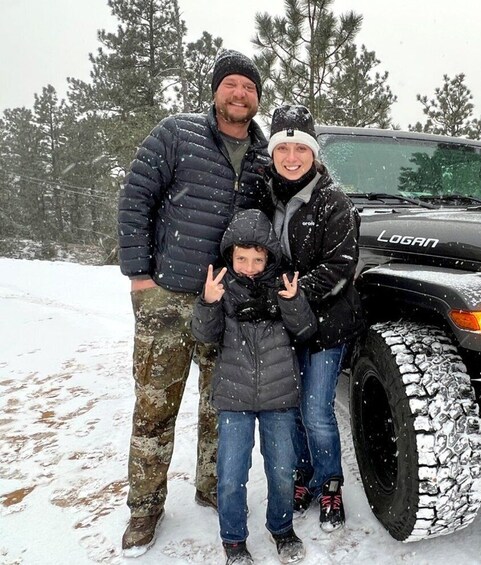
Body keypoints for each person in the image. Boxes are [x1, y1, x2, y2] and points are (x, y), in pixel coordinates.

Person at [117, 49, 274, 555]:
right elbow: (136, 197)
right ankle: (144, 510)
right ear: (215, 91)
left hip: (225, 300)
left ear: (256, 97)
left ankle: (212, 485)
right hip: (167, 291)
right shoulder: (177, 134)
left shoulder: (261, 153)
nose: (239, 94)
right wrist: (139, 275)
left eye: (248, 88)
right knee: (155, 406)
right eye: (231, 84)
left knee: (218, 403)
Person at [192, 209, 316, 565]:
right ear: (230, 256)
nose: (248, 266)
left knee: (281, 471)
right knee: (231, 475)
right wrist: (208, 303)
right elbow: (204, 335)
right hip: (234, 397)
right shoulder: (220, 288)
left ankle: (281, 529)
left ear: (269, 258)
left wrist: (293, 303)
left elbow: (305, 331)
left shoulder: (284, 287)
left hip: (279, 397)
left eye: (257, 259)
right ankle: (233, 541)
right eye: (241, 258)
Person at [267, 104, 363, 532]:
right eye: (282, 148)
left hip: (328, 323)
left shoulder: (333, 202)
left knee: (316, 409)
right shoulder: (265, 196)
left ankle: (331, 484)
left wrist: (295, 294)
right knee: (291, 409)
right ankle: (303, 475)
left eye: (299, 148)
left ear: (313, 153)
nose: (291, 157)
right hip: (281, 325)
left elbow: (341, 264)